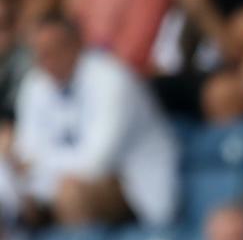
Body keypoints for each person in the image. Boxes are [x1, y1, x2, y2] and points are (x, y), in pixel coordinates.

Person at [11, 14, 178, 227]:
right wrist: (32, 166)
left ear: (76, 45)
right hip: (61, 182)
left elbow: (96, 162)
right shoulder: (35, 84)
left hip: (136, 189)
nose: (45, 61)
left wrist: (39, 164)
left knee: (71, 193)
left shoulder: (111, 79)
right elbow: (26, 151)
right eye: (39, 54)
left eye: (52, 51)